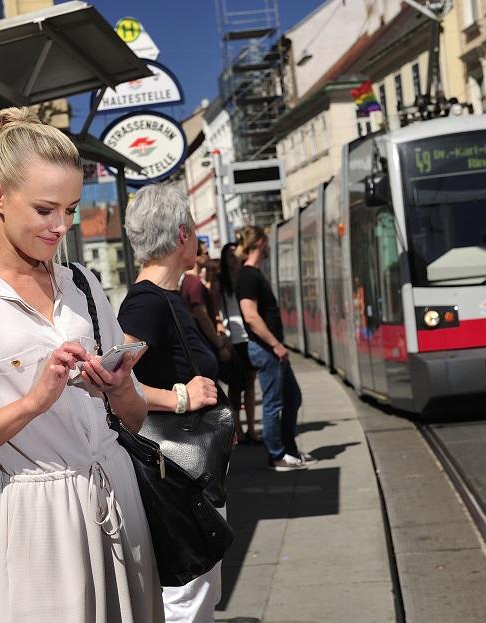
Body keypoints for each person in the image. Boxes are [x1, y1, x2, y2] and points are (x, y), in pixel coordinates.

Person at [0, 107, 162, 622]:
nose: (61, 226)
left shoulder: (82, 281)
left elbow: (133, 418)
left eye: (72, 209)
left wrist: (119, 387)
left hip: (121, 499)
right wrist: (33, 403)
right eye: (44, 209)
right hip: (35, 520)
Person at [117, 183, 223, 623]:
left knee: (199, 591)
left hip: (190, 472)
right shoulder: (147, 303)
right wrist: (181, 397)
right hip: (177, 476)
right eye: (194, 228)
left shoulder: (167, 298)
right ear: (182, 236)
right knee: (188, 597)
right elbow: (113, 378)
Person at [236, 226, 316, 471]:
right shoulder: (248, 276)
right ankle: (276, 455)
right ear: (260, 242)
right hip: (266, 349)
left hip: (271, 349)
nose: (269, 247)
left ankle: (289, 450)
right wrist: (275, 344)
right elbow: (250, 316)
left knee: (293, 397)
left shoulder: (253, 274)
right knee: (273, 403)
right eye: (267, 242)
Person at [217, 242, 259, 445]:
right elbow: (216, 312)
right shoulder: (220, 283)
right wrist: (223, 338)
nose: (235, 262)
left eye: (236, 257)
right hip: (233, 340)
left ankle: (251, 428)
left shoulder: (245, 279)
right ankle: (239, 429)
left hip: (248, 337)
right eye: (231, 258)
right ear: (225, 261)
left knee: (250, 383)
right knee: (235, 387)